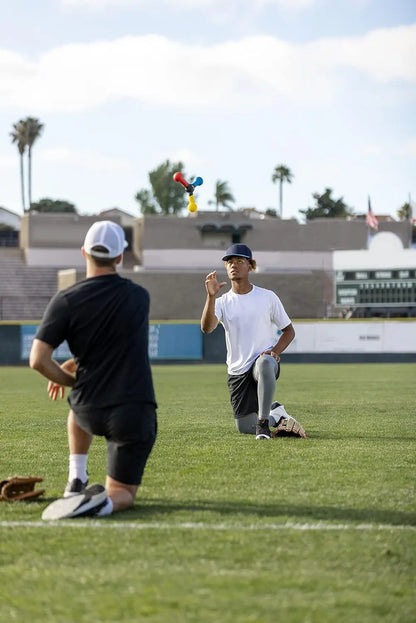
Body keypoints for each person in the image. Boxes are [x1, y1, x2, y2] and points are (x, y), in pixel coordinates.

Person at [29, 220, 157, 519]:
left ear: (84, 253)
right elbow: (115, 342)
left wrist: (71, 378)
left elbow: (38, 359)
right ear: (120, 257)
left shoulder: (65, 300)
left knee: (78, 400)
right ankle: (102, 502)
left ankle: (77, 478)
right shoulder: (139, 298)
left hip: (89, 409)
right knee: (122, 493)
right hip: (132, 411)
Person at [201, 243, 295, 440]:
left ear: (250, 266)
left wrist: (275, 351)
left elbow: (288, 331)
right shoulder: (221, 302)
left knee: (265, 363)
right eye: (229, 262)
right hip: (238, 370)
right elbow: (207, 328)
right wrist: (211, 296)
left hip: (263, 364)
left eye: (239, 261)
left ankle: (263, 425)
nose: (233, 265)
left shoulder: (267, 297)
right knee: (244, 427)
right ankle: (276, 414)